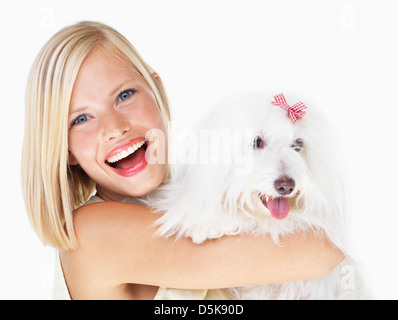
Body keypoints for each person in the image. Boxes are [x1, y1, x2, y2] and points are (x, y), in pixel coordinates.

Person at [21, 21, 344, 300]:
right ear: (64, 150)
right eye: (81, 119)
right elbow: (320, 251)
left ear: (157, 90)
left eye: (124, 96)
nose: (115, 128)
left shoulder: (200, 199)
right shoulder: (93, 232)